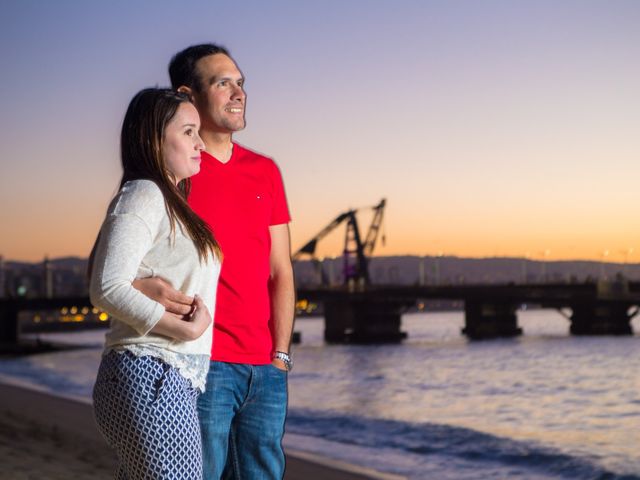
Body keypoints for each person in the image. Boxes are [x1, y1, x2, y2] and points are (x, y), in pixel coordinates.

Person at [134, 44, 295, 479]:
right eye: (222, 83)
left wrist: (280, 356)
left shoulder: (265, 171)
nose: (238, 92)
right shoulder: (173, 174)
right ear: (188, 95)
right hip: (199, 364)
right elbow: (118, 266)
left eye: (240, 82)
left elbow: (280, 272)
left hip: (265, 369)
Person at [89, 88, 222, 480]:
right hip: (150, 372)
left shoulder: (171, 202)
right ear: (153, 139)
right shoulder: (145, 193)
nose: (200, 143)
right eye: (188, 132)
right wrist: (185, 327)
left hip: (165, 377)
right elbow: (107, 287)